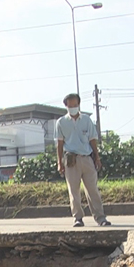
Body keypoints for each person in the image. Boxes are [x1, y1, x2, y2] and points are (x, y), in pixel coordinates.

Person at [55, 93, 111, 227]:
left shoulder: (86, 120)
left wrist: (97, 157)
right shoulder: (61, 122)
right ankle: (78, 218)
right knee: (73, 191)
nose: (73, 107)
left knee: (92, 189)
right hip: (71, 160)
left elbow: (92, 139)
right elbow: (60, 144)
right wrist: (59, 163)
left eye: (75, 105)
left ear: (79, 104)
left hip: (87, 158)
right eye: (70, 105)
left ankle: (100, 217)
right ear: (66, 106)